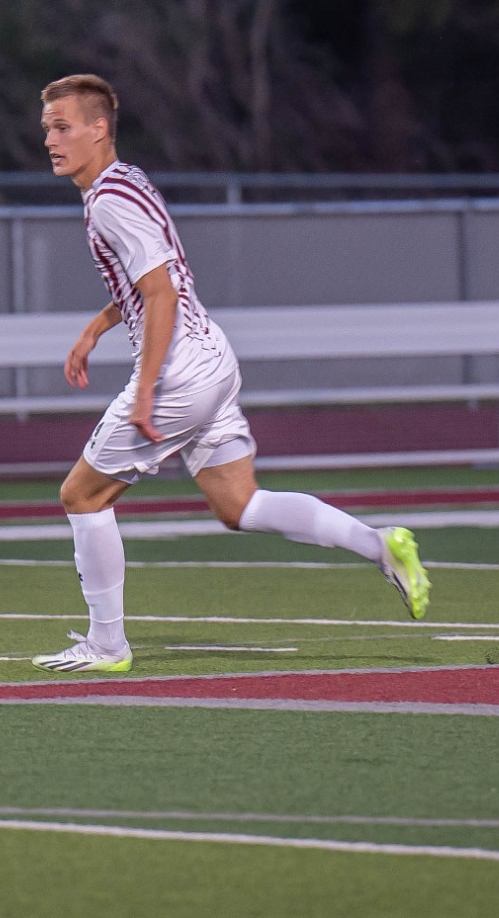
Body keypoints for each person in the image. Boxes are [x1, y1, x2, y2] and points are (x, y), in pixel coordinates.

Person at [30, 74, 429, 674]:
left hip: (178, 371)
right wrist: (97, 327)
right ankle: (380, 544)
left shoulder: (110, 201)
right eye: (47, 130)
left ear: (99, 129)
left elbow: (160, 294)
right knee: (238, 504)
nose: (51, 140)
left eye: (62, 127)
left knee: (81, 494)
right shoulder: (126, 182)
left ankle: (107, 644)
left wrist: (145, 392)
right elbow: (154, 282)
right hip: (212, 355)